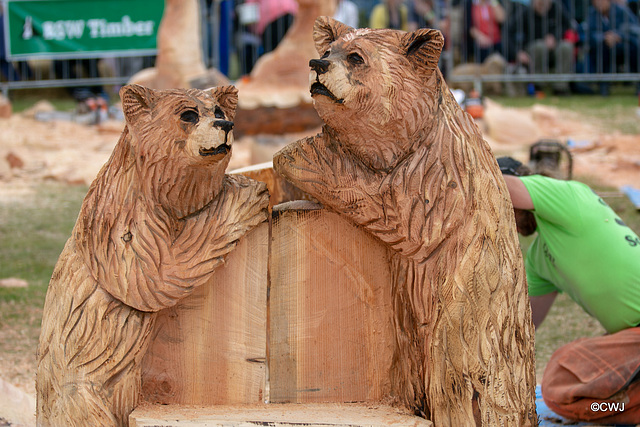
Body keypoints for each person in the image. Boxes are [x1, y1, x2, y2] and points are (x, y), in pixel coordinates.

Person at [498, 156, 640, 424]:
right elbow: (525, 327)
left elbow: (500, 184)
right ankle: (629, 406)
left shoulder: (567, 195)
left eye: (507, 207)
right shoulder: (538, 258)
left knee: (564, 370)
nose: (506, 217)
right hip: (632, 339)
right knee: (567, 392)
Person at [507, 0, 576, 94]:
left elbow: (568, 25)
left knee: (566, 47)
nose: (542, 4)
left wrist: (554, 37)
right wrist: (517, 53)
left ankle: (561, 87)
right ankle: (538, 86)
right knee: (540, 46)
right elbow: (508, 33)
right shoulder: (526, 12)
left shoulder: (556, 8)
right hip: (533, 49)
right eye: (539, 3)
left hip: (554, 48)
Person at [585, 0, 640, 96]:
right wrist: (604, 37)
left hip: (623, 46)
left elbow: (635, 29)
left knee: (634, 49)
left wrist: (619, 36)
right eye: (596, 2)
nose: (599, 3)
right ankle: (603, 85)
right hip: (605, 47)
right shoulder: (592, 13)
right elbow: (588, 33)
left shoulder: (622, 11)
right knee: (600, 50)